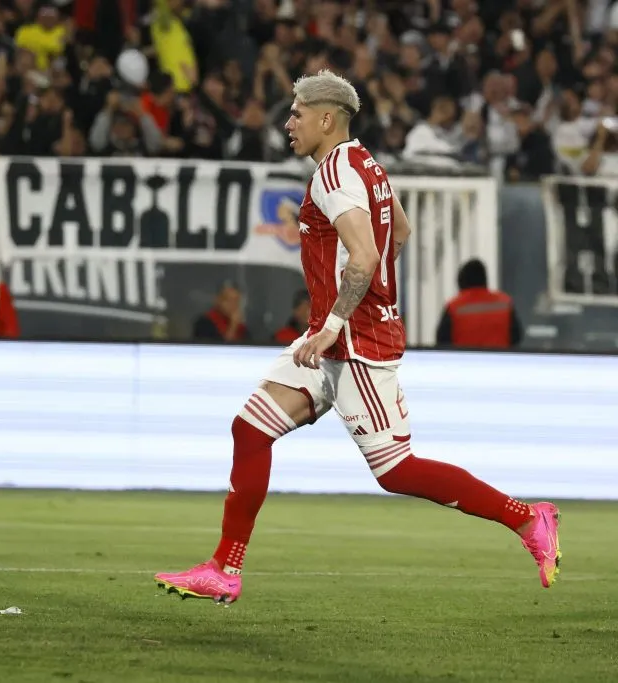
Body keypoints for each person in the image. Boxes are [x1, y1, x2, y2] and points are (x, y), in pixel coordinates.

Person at [154, 70, 561, 605]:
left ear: (326, 118)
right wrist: (355, 301)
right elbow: (401, 235)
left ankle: (529, 518)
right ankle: (224, 569)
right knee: (250, 429)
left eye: (297, 113)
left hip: (355, 343)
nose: (288, 122)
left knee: (396, 470)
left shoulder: (332, 174)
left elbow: (367, 256)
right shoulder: (366, 165)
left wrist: (339, 320)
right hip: (338, 336)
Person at [436, 259, 522, 349]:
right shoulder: (505, 304)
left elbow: (442, 343)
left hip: (464, 361)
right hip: (498, 361)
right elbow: (516, 337)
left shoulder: (454, 307)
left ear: (461, 283)